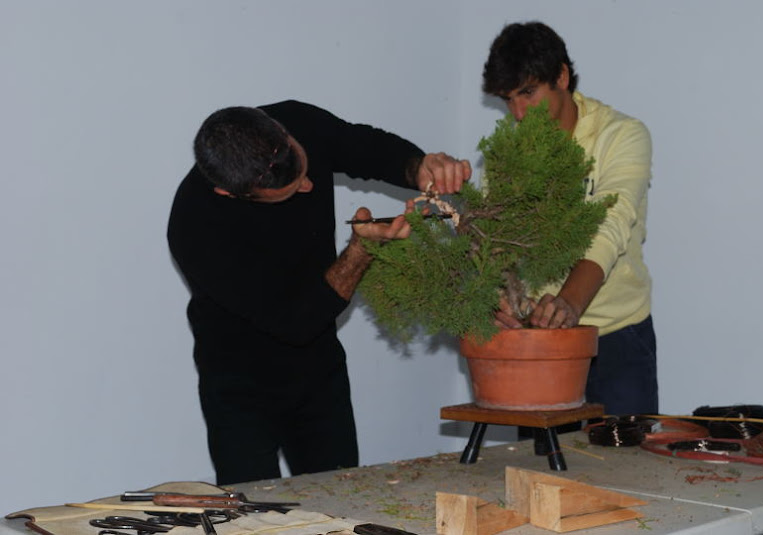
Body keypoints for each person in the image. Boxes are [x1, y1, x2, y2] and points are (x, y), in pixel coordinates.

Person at [167, 100, 470, 485]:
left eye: (306, 169)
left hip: (318, 371)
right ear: (231, 193)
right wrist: (361, 250)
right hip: (239, 385)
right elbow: (296, 320)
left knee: (340, 505)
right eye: (294, 191)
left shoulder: (297, 120)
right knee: (252, 516)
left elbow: (364, 147)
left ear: (282, 130)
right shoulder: (195, 227)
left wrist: (418, 167)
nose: (310, 186)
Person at [484, 22, 657, 416]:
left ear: (561, 76)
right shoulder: (506, 155)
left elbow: (609, 224)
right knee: (541, 473)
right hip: (539, 341)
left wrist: (569, 303)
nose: (519, 112)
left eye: (528, 93)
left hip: (617, 335)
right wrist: (498, 298)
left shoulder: (622, 135)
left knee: (627, 472)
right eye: (507, 99)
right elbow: (496, 242)